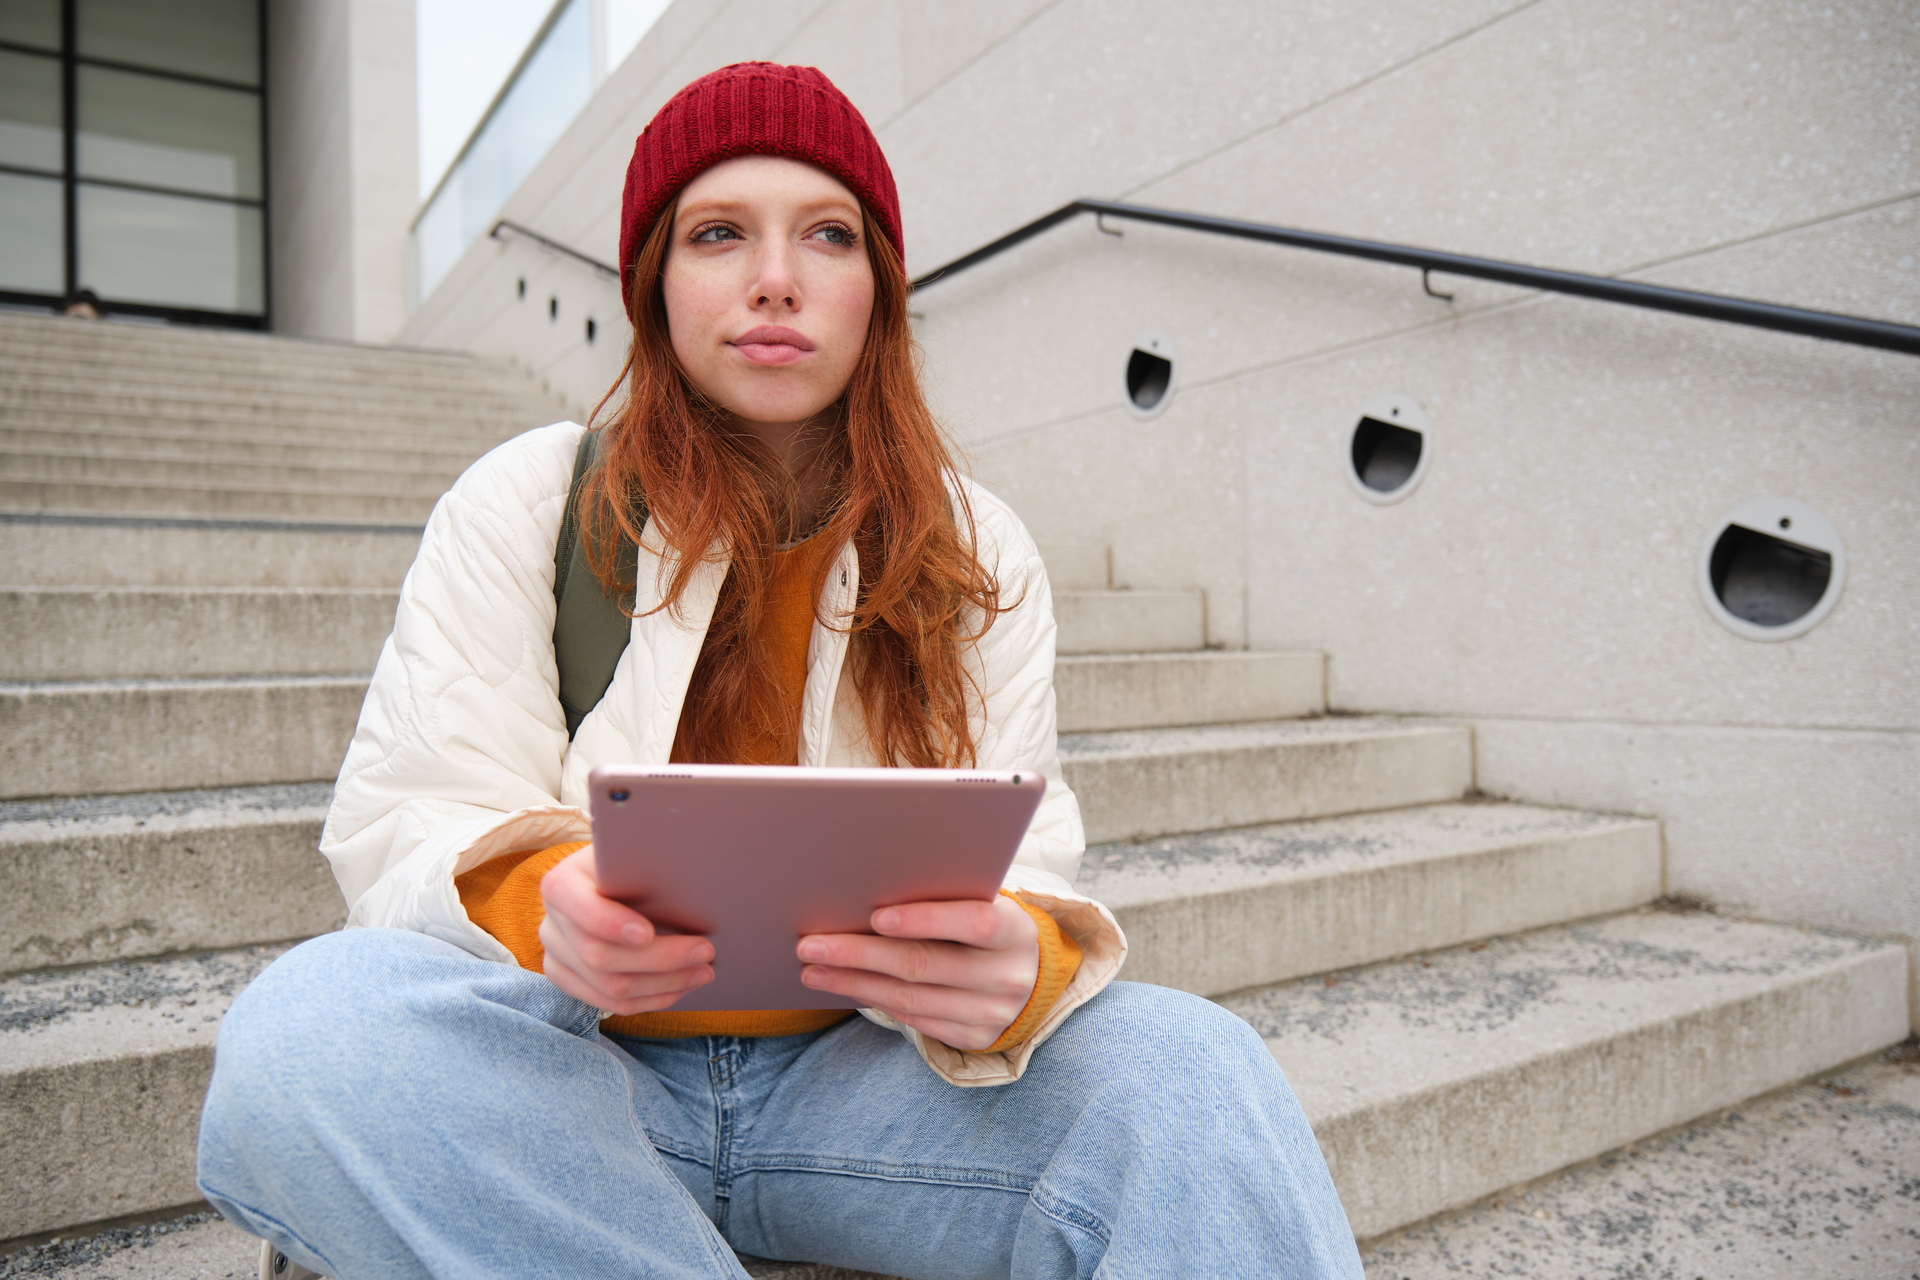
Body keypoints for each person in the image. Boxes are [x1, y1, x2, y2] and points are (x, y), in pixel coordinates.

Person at [196, 62, 1364, 1280]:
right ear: (655, 285)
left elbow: (1019, 848)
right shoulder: (533, 497)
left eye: (827, 234)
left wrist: (1024, 961)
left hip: (867, 1083)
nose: (776, 277)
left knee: (1195, 1068)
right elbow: (410, 813)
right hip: (570, 1074)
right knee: (309, 1034)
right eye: (719, 234)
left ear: (879, 291)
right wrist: (543, 902)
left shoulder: (975, 548)